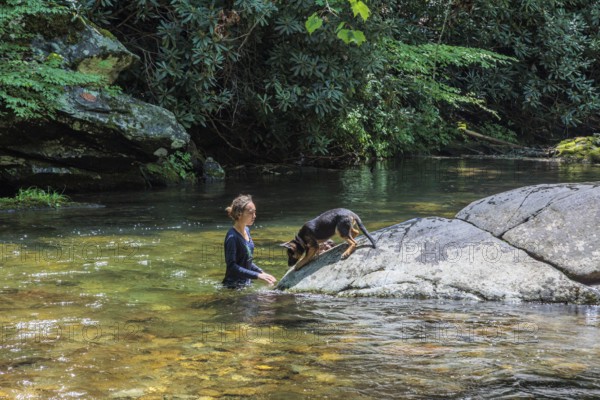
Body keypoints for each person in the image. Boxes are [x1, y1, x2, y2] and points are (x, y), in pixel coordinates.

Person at [222, 194, 277, 289]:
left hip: (246, 285)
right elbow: (232, 266)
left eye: (255, 212)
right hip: (233, 288)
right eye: (251, 213)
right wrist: (257, 276)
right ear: (239, 214)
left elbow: (246, 260)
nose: (254, 216)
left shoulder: (246, 230)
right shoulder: (232, 237)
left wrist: (261, 272)